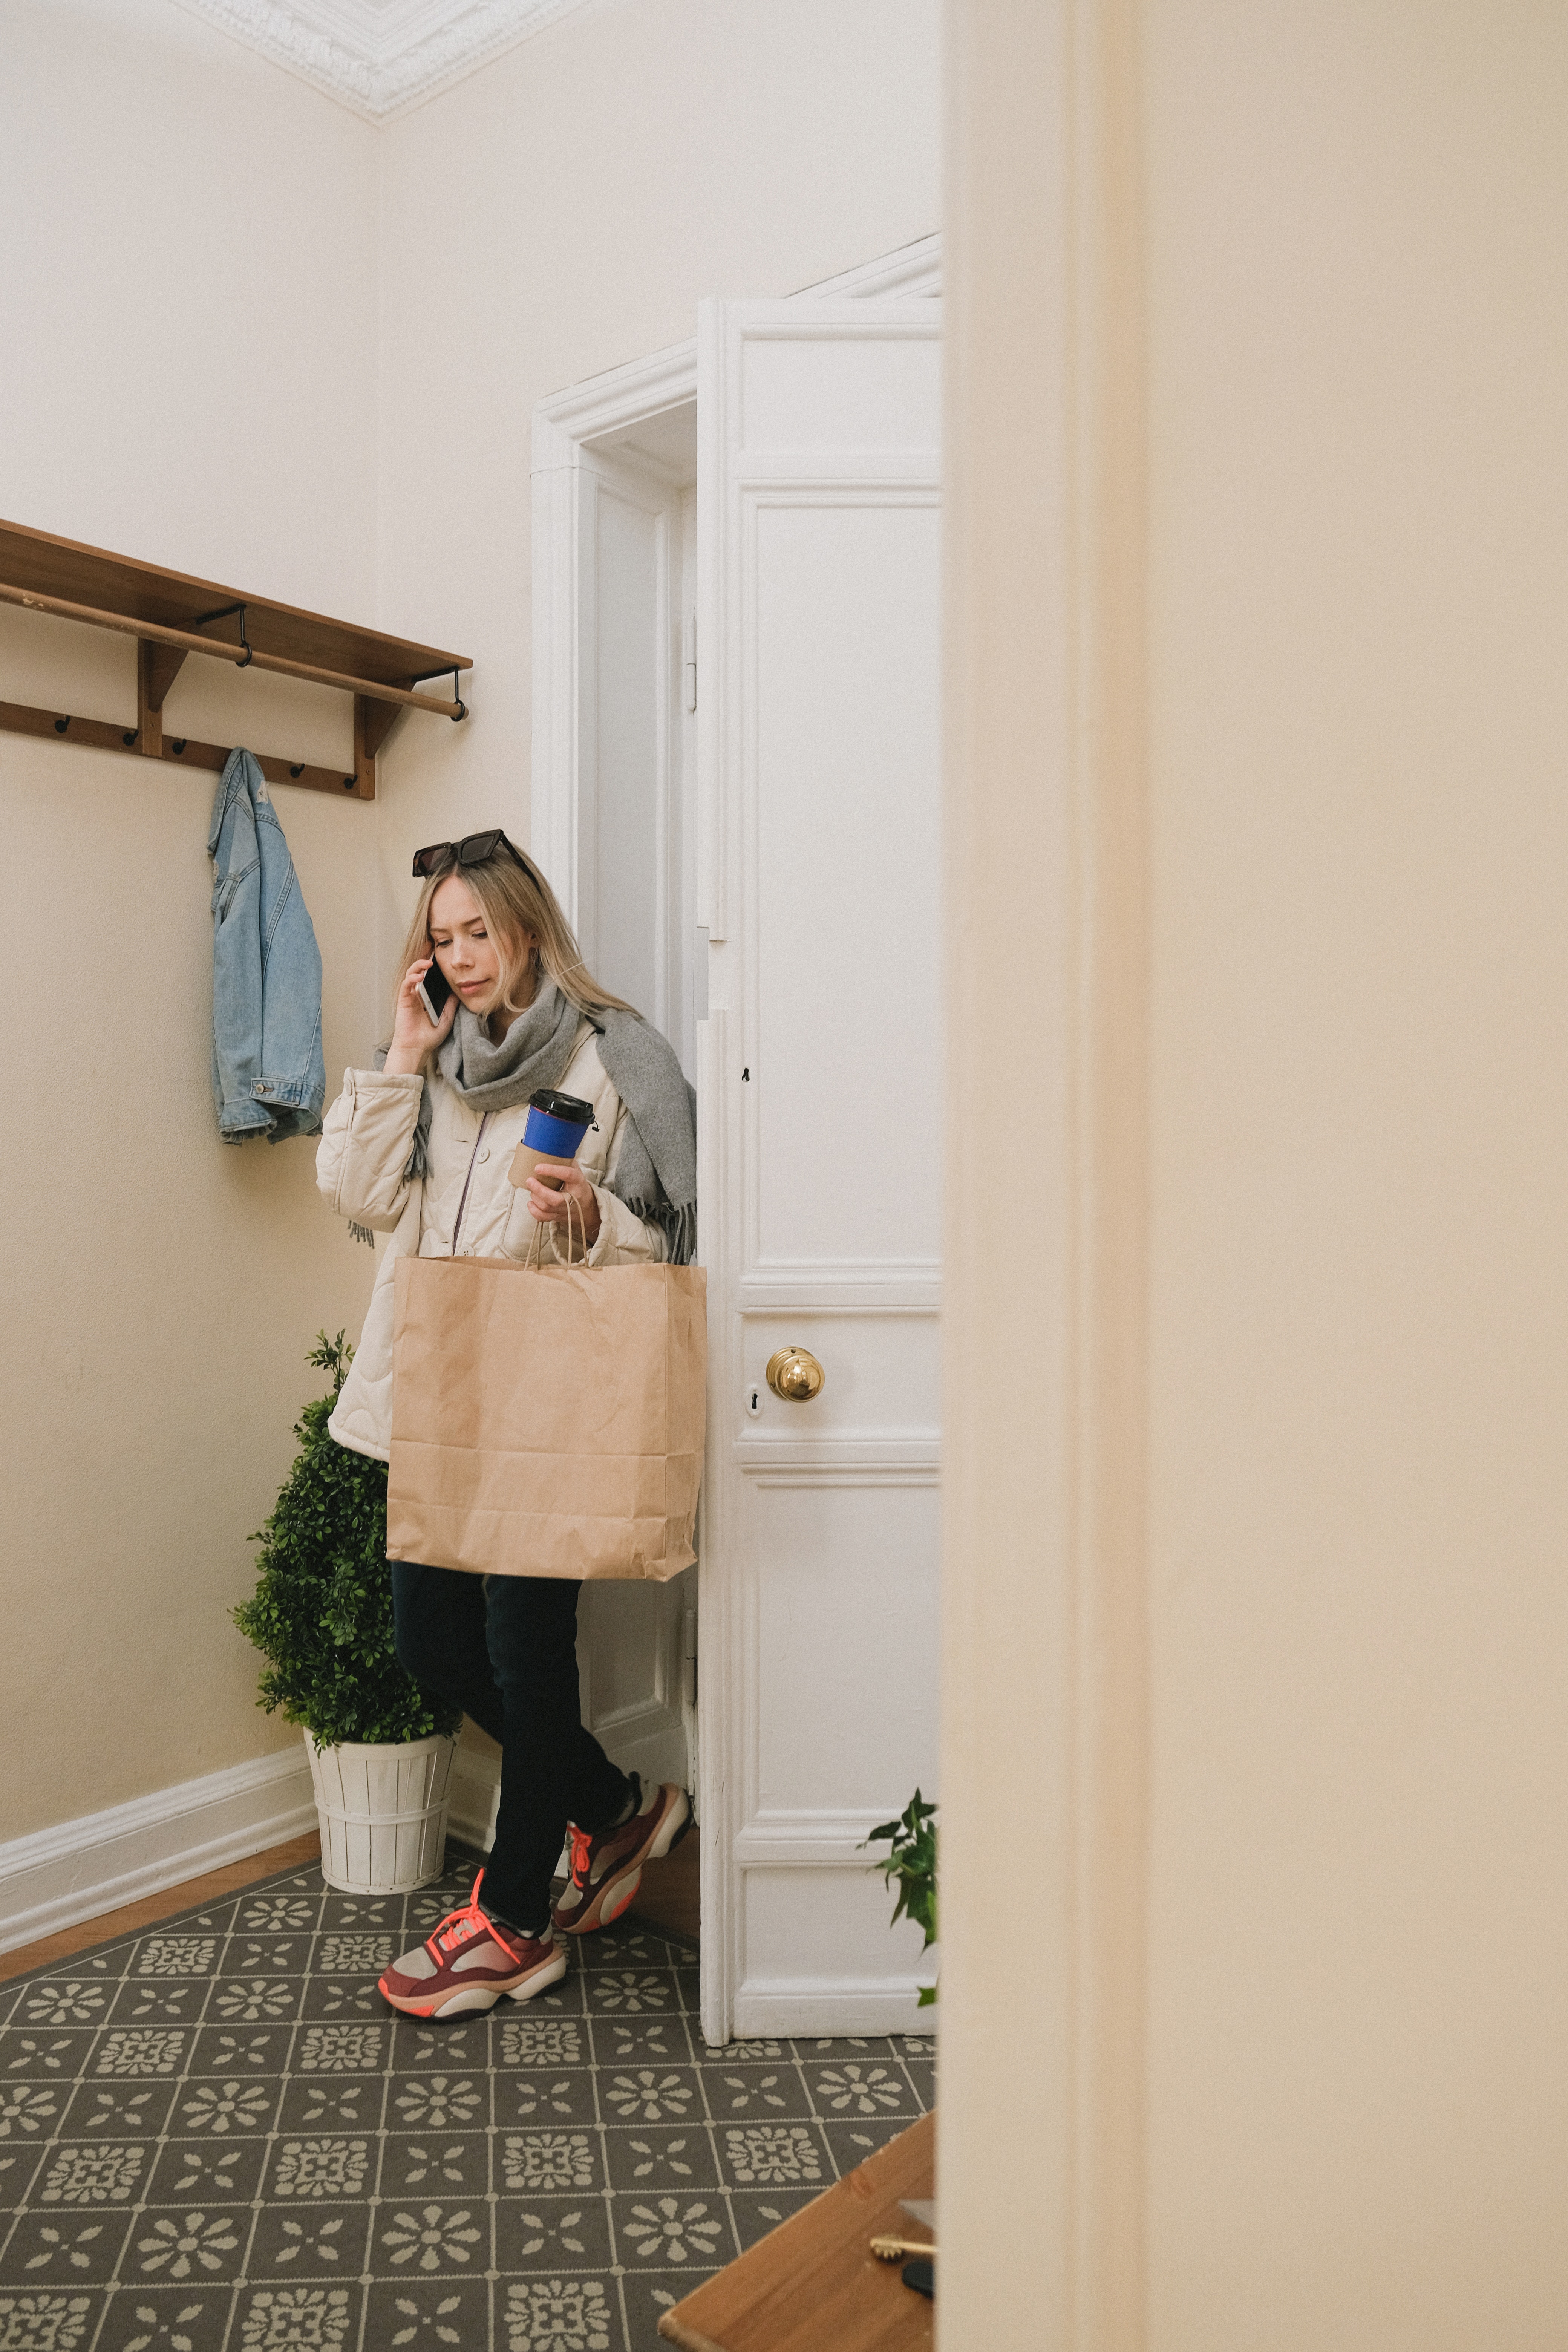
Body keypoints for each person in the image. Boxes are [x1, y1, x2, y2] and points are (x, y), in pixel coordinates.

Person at [315, 828, 696, 2019]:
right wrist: (400, 1052)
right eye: (443, 938)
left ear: (528, 925)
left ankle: (516, 1917)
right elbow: (362, 1197)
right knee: (433, 1641)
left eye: (479, 931)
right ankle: (616, 1810)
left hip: (547, 1405)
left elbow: (673, 1241)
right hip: (437, 1393)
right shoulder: (433, 1061)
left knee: (531, 1657)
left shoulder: (615, 1056)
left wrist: (593, 1215)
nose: (462, 957)